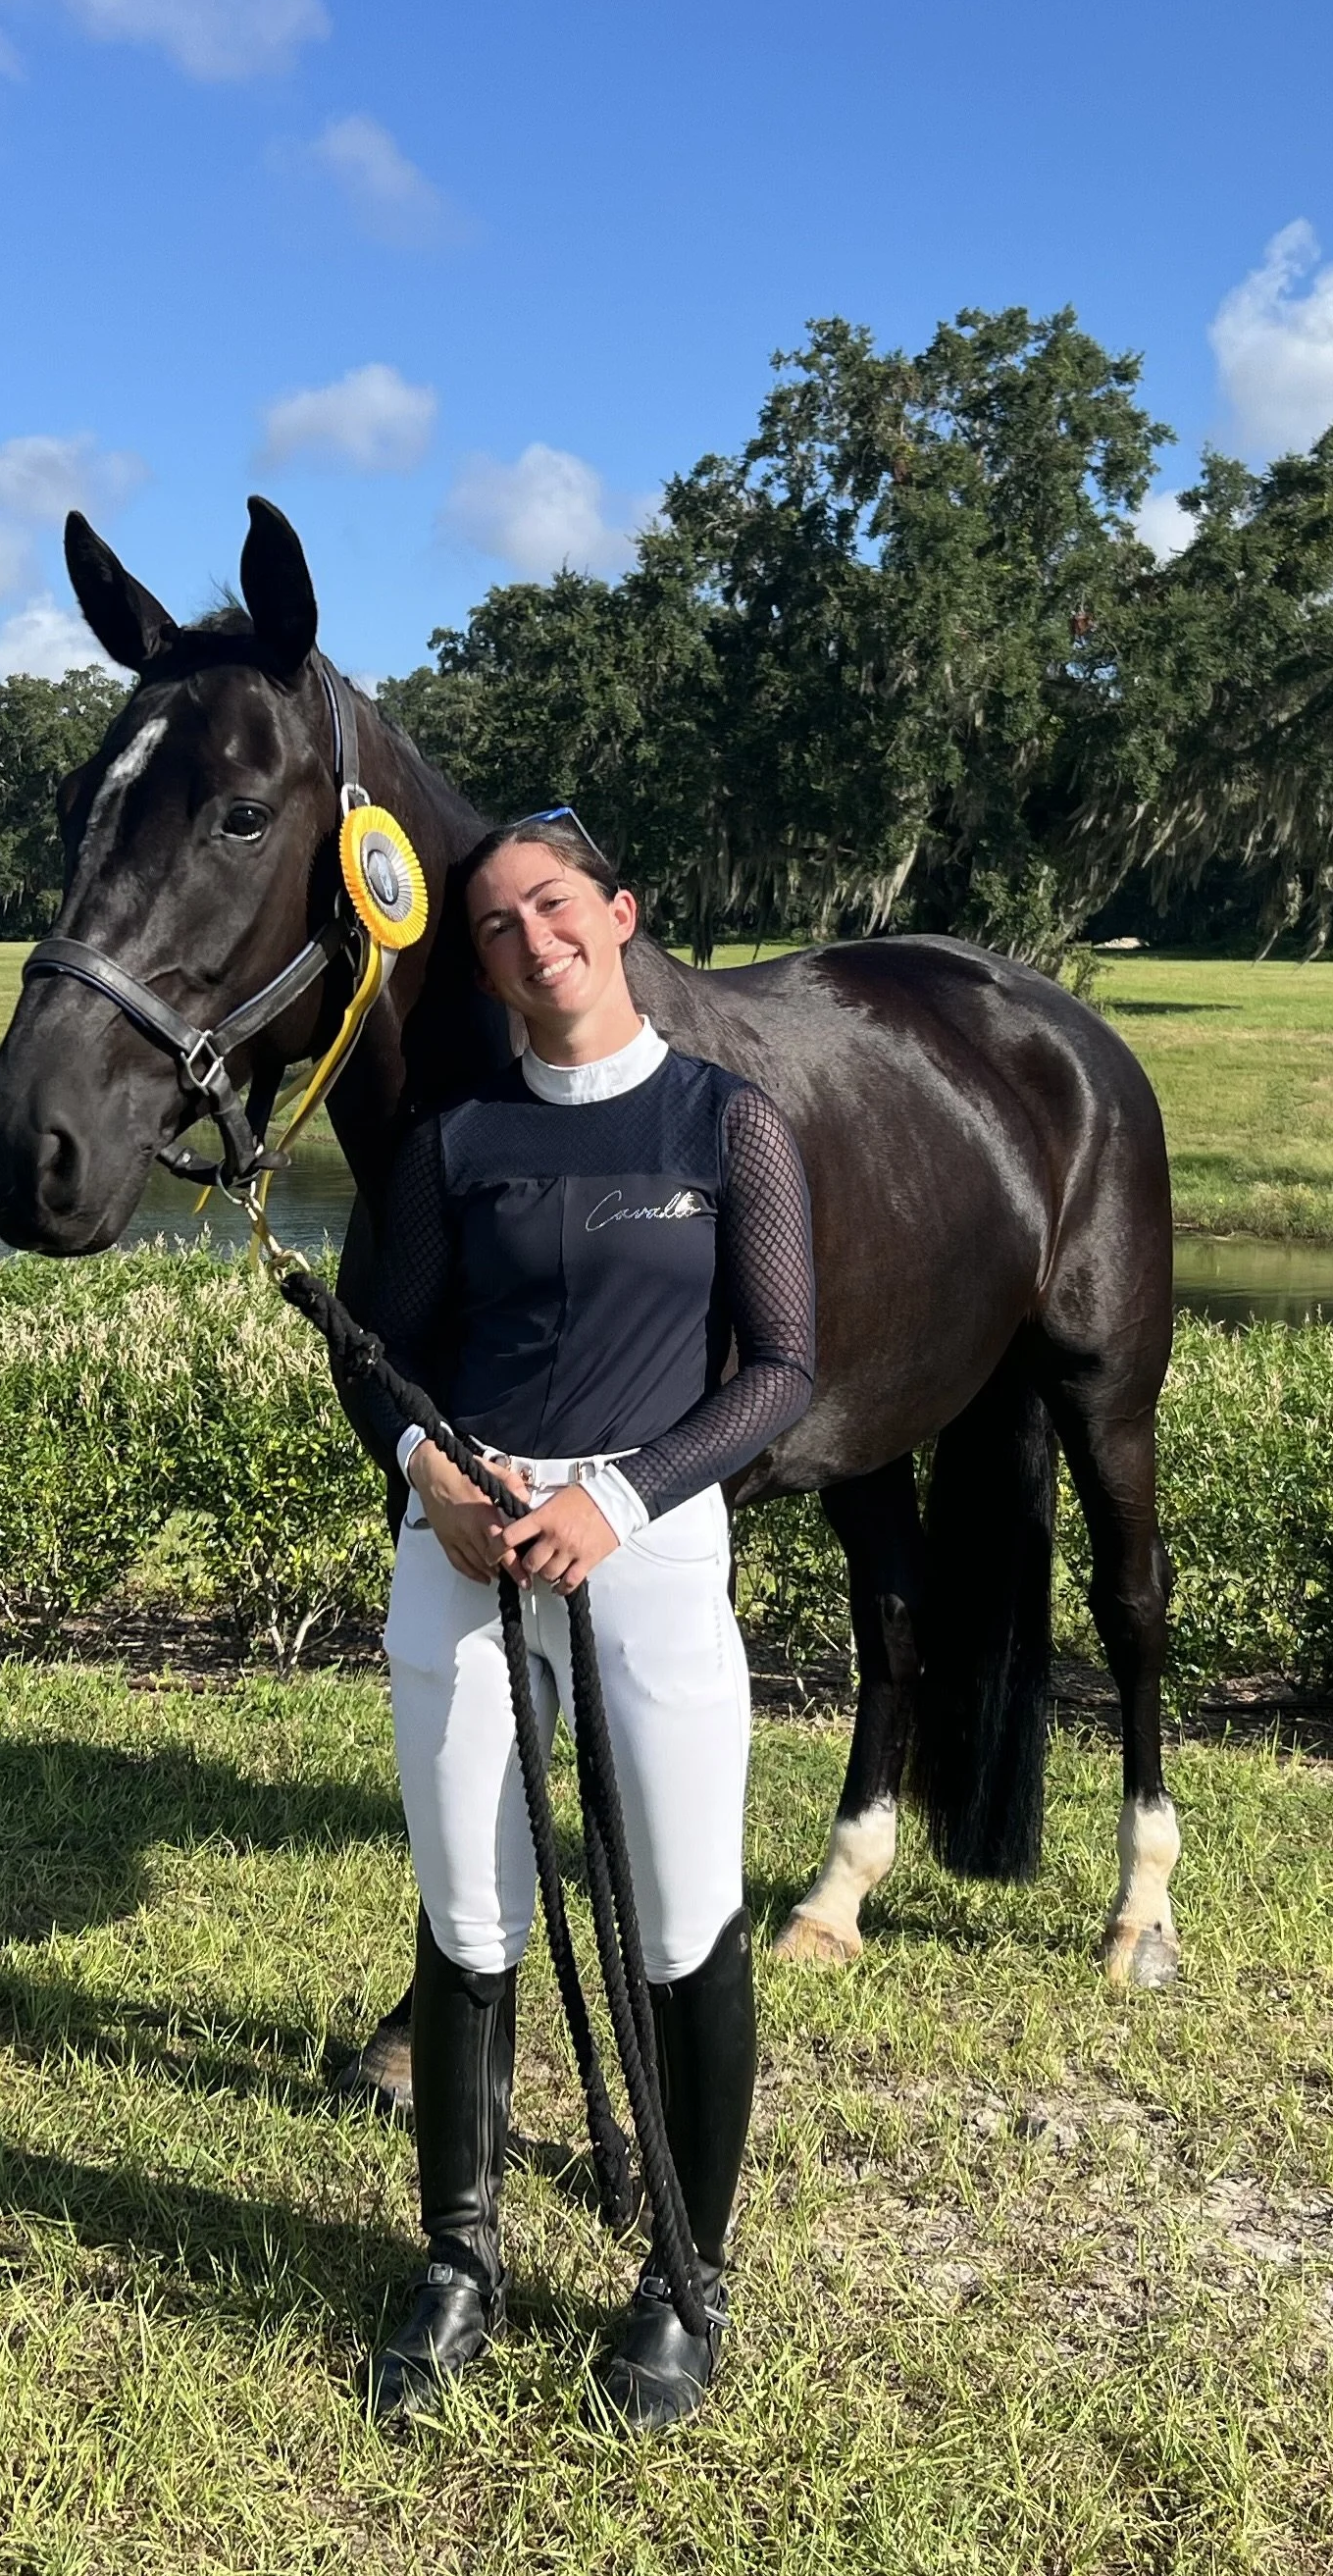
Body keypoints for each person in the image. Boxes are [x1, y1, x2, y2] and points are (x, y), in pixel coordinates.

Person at [361, 814, 815, 2433]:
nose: (528, 938)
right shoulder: (449, 1138)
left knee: (686, 1912)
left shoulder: (726, 1125)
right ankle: (459, 2260)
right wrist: (437, 1474)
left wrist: (615, 1498)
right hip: (464, 1543)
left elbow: (779, 1366)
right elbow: (375, 1348)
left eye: (552, 906)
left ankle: (683, 2277)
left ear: (617, 913)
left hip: (646, 1537)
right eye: (492, 928)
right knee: (468, 1906)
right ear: (476, 965)